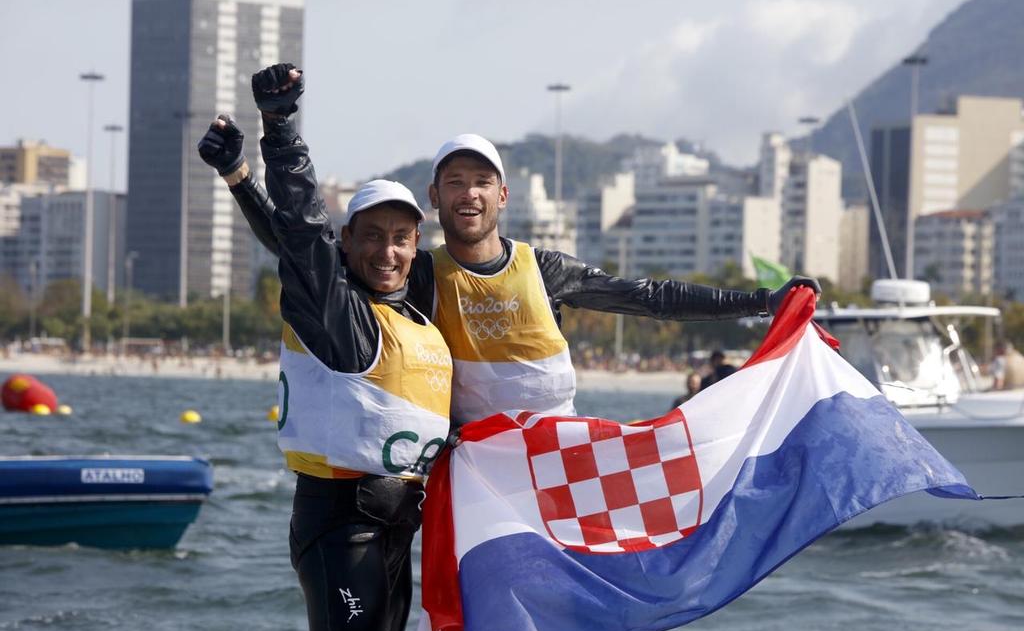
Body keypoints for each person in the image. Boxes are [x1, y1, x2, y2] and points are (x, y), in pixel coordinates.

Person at [218, 63, 821, 426]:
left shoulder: (547, 269)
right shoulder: (420, 273)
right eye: (455, 182)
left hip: (554, 466)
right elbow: (308, 257)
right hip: (474, 473)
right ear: (436, 196)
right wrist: (242, 179)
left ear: (502, 195)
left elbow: (651, 296)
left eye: (481, 182)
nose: (469, 194)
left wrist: (763, 302)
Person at [198, 64, 452, 631]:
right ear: (346, 241)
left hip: (394, 531)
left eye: (400, 238)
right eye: (371, 235)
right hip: (343, 529)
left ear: (417, 245)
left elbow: (287, 241)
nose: (386, 251)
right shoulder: (339, 317)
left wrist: (238, 176)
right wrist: (280, 129)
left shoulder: (410, 314)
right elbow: (305, 236)